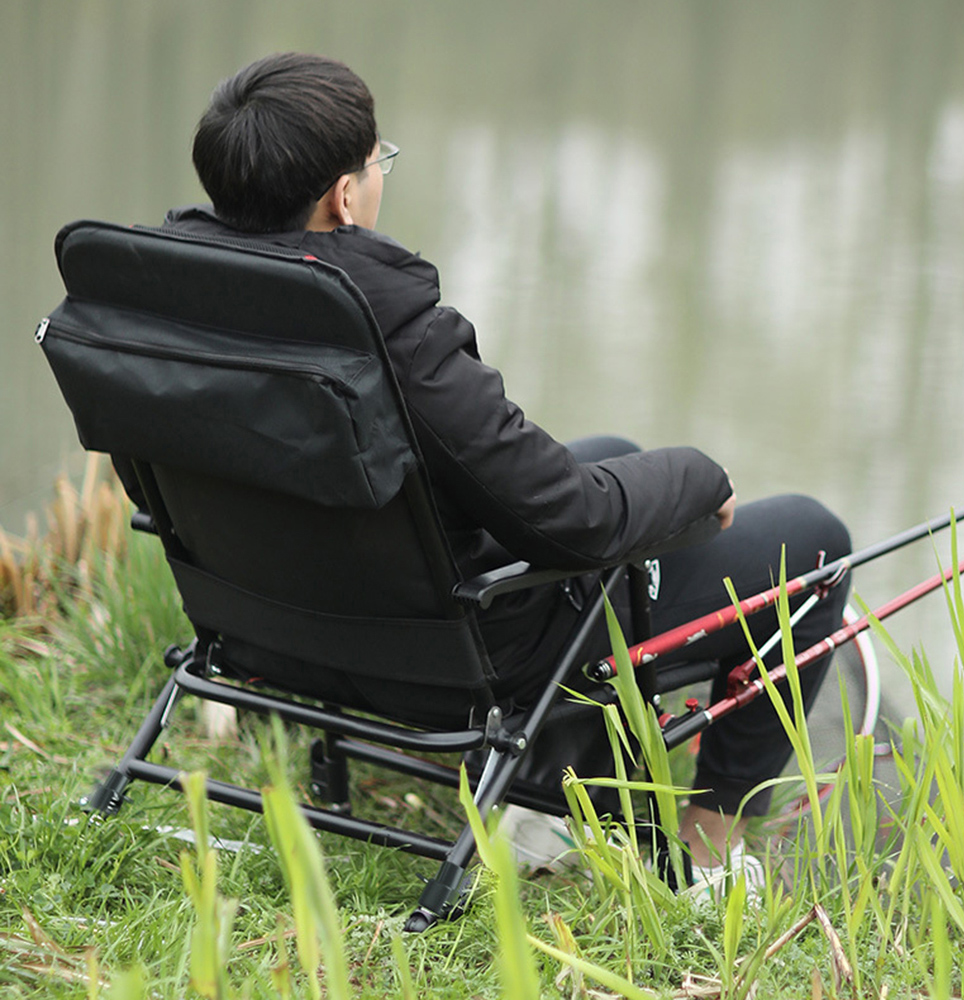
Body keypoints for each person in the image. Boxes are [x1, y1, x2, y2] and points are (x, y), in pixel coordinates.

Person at [149, 52, 850, 890]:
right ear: (343, 194)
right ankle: (708, 856)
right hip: (452, 651)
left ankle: (552, 808)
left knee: (616, 455)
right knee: (813, 543)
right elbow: (573, 521)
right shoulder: (386, 327)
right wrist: (701, 476)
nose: (380, 178)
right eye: (378, 162)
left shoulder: (167, 298)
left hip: (270, 627)